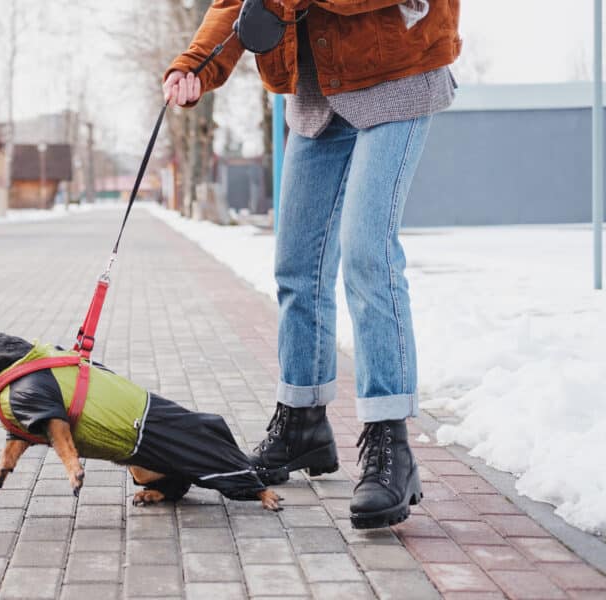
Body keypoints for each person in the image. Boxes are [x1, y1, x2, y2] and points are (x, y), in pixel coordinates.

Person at [163, 0, 460, 529]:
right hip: (316, 91)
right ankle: (302, 423)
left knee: (369, 251)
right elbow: (238, 4)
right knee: (297, 266)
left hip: (397, 72)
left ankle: (389, 442)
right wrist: (196, 65)